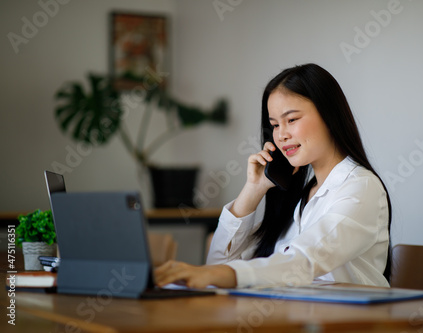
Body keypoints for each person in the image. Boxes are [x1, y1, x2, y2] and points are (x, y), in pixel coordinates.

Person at [154, 63, 392, 289]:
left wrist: (221, 275)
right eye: (275, 125)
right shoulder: (299, 198)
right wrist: (254, 189)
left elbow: (303, 261)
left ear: (329, 116)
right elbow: (217, 266)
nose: (281, 135)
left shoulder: (361, 188)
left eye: (291, 120)